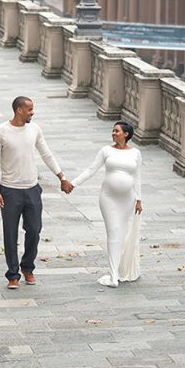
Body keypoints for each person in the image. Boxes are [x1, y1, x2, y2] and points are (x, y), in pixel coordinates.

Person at [0, 96, 72, 290]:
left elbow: (46, 154)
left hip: (32, 189)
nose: (32, 113)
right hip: (9, 190)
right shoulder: (0, 132)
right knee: (10, 234)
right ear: (19, 110)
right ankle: (13, 274)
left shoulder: (34, 130)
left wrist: (62, 177)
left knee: (34, 230)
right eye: (29, 109)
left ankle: (28, 267)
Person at [70, 121, 143, 288]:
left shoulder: (136, 153)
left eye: (117, 131)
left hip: (127, 199)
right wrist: (72, 184)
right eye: (113, 131)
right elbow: (91, 170)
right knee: (113, 232)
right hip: (108, 197)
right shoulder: (106, 151)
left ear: (126, 134)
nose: (113, 133)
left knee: (122, 233)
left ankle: (118, 269)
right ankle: (113, 276)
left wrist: (139, 200)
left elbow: (137, 177)